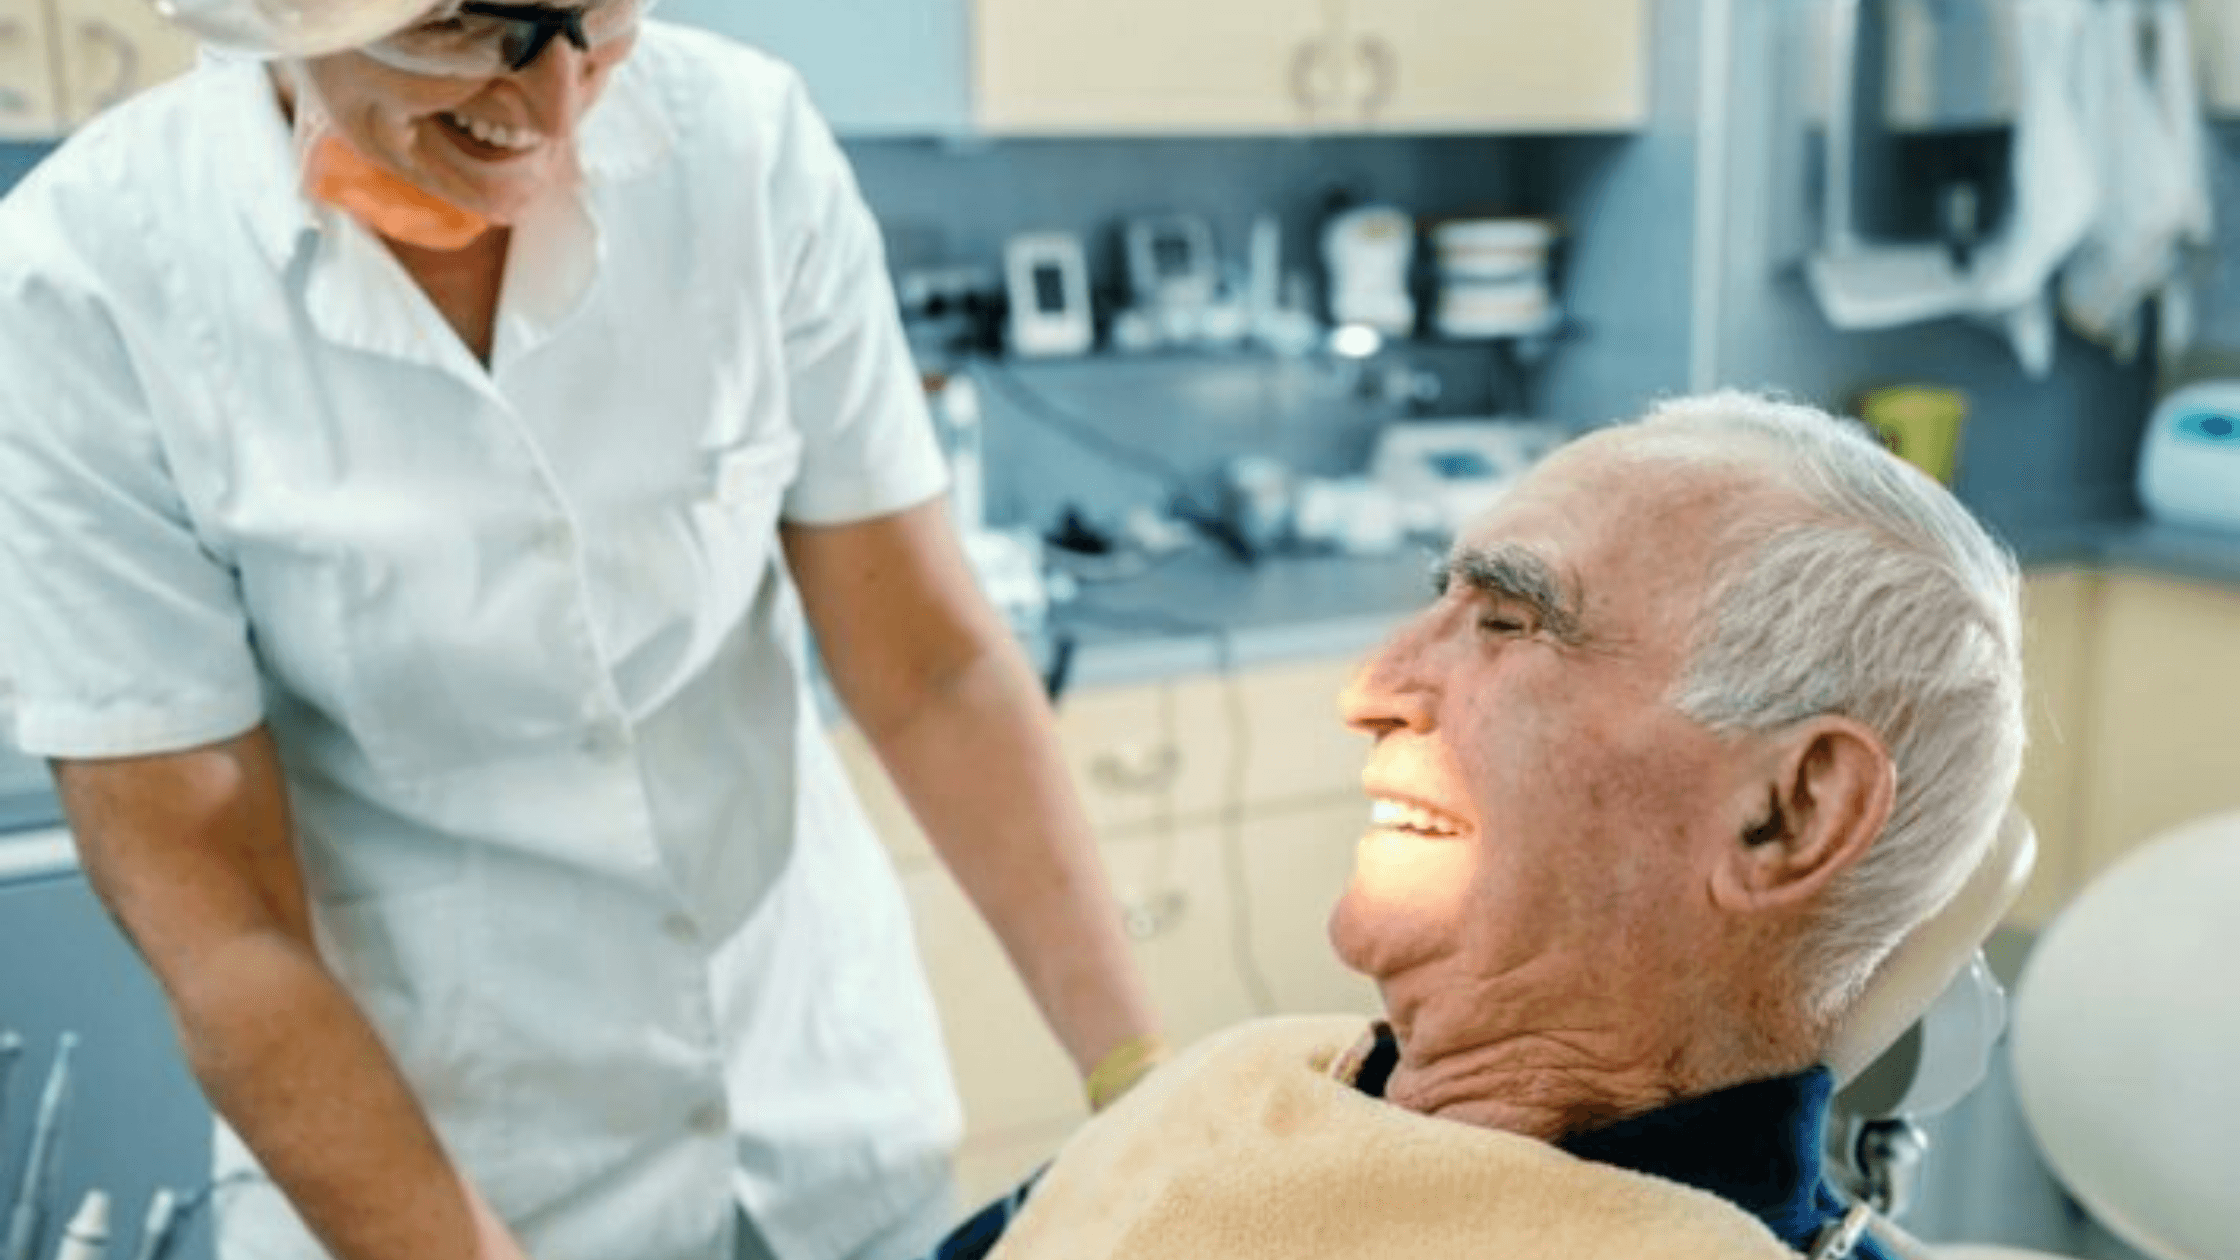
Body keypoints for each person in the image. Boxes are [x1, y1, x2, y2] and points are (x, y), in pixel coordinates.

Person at [0, 5, 1164, 1260]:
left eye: (596, 19)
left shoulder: (742, 144)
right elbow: (227, 929)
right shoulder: (89, 280)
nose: (557, 109)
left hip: (822, 1134)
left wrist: (1147, 1086)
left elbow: (931, 671)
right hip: (443, 1185)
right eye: (467, 27)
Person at [926, 391, 2026, 1260]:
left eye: (1506, 621)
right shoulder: (1247, 1086)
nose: (1369, 688)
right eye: (1439, 605)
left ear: (1785, 814)